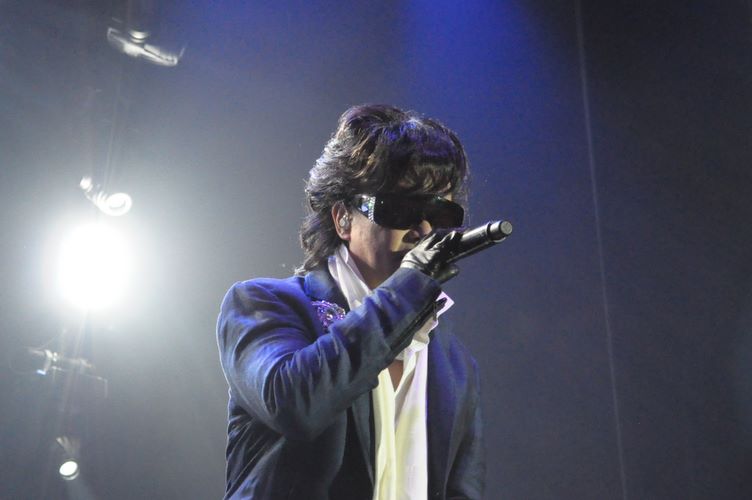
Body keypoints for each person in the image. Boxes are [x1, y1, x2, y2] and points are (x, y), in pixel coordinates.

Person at [217, 104, 485, 499]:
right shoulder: (263, 304)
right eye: (402, 209)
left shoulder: (454, 362)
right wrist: (409, 288)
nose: (424, 228)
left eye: (440, 212)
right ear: (343, 218)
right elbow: (296, 404)